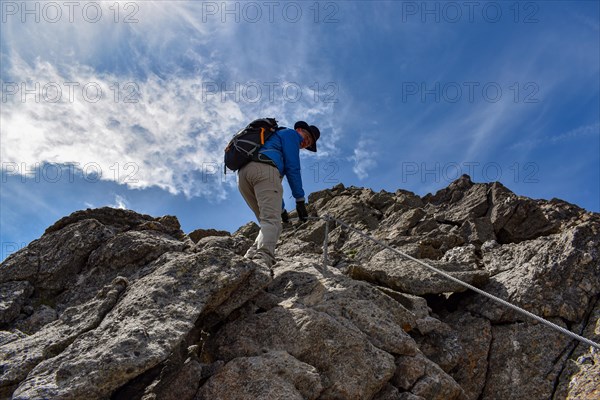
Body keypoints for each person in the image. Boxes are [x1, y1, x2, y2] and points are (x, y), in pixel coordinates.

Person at [238, 120, 321, 267]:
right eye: (307, 137)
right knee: (272, 222)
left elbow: (273, 185)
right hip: (265, 171)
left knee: (268, 222)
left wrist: (282, 209)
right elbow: (292, 167)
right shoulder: (291, 134)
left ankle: (247, 259)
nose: (305, 143)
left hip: (244, 174)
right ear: (300, 129)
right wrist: (300, 199)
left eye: (308, 144)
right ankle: (263, 260)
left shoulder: (274, 136)